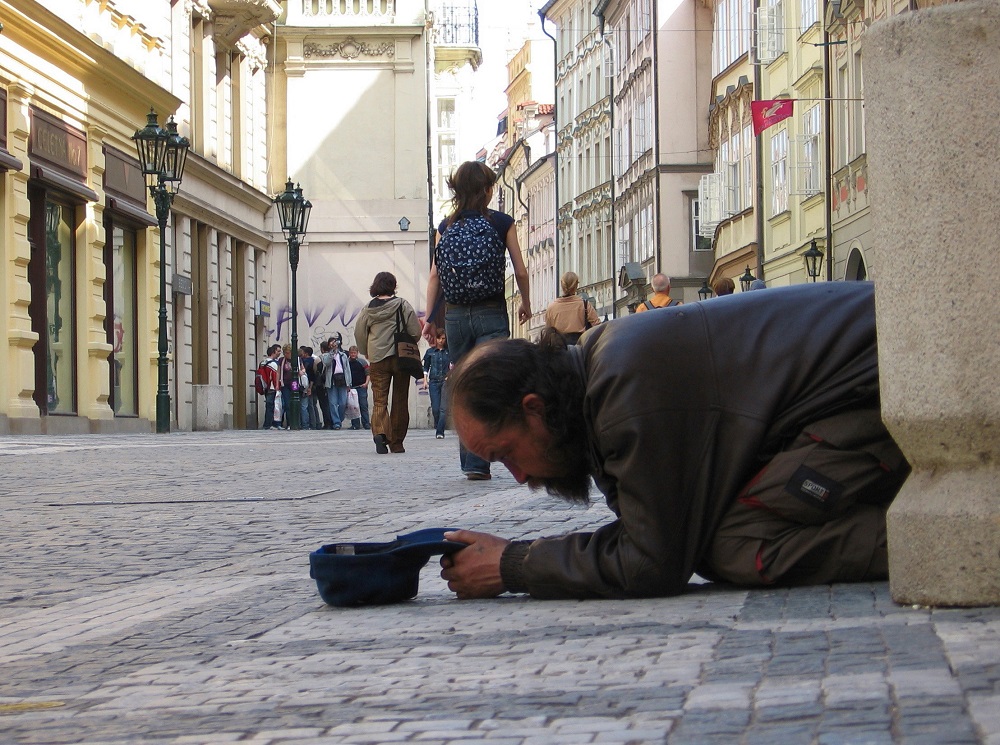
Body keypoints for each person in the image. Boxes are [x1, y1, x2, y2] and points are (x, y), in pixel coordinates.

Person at [438, 282, 910, 600]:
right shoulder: (598, 373)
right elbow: (655, 528)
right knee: (719, 532)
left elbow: (653, 559)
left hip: (893, 388)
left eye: (505, 454)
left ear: (534, 408)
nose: (519, 477)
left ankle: (951, 539)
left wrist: (514, 564)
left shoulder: (624, 386)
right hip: (872, 380)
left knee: (737, 543)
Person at [423, 160, 531, 480]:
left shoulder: (445, 226)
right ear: (486, 190)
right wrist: (525, 302)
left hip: (455, 316)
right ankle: (508, 449)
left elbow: (434, 276)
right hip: (491, 311)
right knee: (496, 383)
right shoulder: (502, 222)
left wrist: (430, 318)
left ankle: (474, 463)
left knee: (467, 386)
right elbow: (521, 270)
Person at [355, 271, 421, 454]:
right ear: (393, 285)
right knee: (400, 399)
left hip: (377, 358)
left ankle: (380, 434)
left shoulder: (368, 309)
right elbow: (415, 331)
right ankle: (397, 443)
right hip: (401, 358)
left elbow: (359, 333)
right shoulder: (402, 305)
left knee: (379, 400)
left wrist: (366, 350)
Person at [545, 271, 601, 345]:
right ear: (576, 285)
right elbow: (598, 327)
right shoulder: (584, 305)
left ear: (561, 285)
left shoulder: (552, 308)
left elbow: (548, 332)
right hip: (579, 347)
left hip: (559, 349)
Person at [422, 330, 451, 439]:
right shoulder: (430, 352)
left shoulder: (449, 352)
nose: (441, 341)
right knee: (435, 408)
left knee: (443, 408)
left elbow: (453, 365)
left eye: (443, 338)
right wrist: (425, 380)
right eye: (439, 338)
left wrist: (450, 375)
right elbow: (425, 367)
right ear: (436, 338)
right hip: (433, 381)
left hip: (445, 380)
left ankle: (440, 431)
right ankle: (438, 425)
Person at [322, 333, 351, 430]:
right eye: (331, 343)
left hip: (342, 380)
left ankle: (340, 418)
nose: (334, 344)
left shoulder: (343, 355)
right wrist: (332, 352)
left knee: (343, 402)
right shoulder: (326, 355)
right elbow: (326, 362)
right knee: (333, 403)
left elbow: (347, 369)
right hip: (332, 381)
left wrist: (349, 383)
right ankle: (336, 422)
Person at [347, 345, 371, 431]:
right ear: (349, 353)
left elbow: (368, 373)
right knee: (353, 407)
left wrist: (366, 383)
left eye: (354, 353)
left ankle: (366, 423)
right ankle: (355, 424)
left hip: (361, 387)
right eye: (351, 353)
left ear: (357, 353)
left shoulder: (362, 362)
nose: (353, 354)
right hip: (351, 388)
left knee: (363, 405)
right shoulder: (346, 362)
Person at [259, 344, 282, 430]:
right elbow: (276, 376)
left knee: (268, 406)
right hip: (272, 387)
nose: (279, 353)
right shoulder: (273, 364)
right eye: (278, 351)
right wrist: (277, 386)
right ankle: (269, 424)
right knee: (272, 406)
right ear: (273, 352)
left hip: (265, 387)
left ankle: (267, 424)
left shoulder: (262, 362)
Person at [279, 343, 295, 429]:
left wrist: (301, 372)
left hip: (294, 383)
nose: (286, 354)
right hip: (285, 384)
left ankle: (296, 421)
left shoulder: (297, 359)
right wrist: (278, 384)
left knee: (296, 402)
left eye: (287, 352)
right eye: (284, 352)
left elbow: (302, 368)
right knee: (287, 404)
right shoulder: (282, 360)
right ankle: (289, 423)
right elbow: (279, 372)